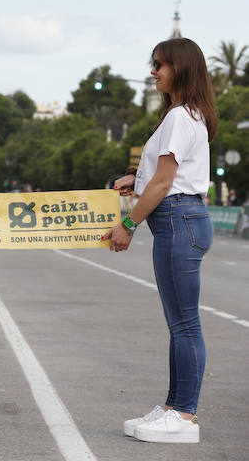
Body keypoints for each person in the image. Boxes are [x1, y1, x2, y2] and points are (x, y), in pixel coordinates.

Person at [102, 37, 217, 444]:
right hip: (183, 219)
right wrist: (137, 177)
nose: (153, 71)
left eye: (160, 65)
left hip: (177, 218)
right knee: (179, 323)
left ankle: (184, 414)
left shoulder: (178, 118)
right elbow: (164, 174)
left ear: (180, 69)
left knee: (185, 323)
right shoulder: (188, 115)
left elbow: (166, 183)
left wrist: (127, 227)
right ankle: (173, 406)